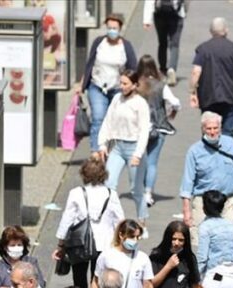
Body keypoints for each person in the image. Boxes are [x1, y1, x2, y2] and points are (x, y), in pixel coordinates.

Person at [53, 156, 125, 288]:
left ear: (84, 174)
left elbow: (67, 220)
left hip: (79, 243)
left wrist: (61, 244)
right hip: (105, 244)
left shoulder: (76, 193)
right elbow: (120, 221)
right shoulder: (111, 194)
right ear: (103, 174)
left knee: (79, 279)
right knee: (98, 279)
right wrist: (120, 244)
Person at [97, 68, 151, 224]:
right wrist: (103, 144)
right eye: (121, 83)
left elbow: (144, 131)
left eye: (125, 83)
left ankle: (142, 219)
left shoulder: (140, 103)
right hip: (118, 147)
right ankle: (113, 219)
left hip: (134, 148)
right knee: (108, 184)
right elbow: (108, 121)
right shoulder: (116, 99)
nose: (122, 86)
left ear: (134, 85)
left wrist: (138, 154)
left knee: (136, 190)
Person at [179, 111, 233, 247]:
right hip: (203, 201)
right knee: (200, 239)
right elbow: (187, 182)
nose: (212, 132)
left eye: (215, 128)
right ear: (203, 129)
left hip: (227, 200)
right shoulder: (194, 151)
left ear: (220, 128)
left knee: (228, 237)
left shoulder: (231, 144)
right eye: (209, 128)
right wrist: (187, 211)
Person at [77, 13, 137, 151]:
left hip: (117, 88)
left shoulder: (126, 46)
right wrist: (81, 84)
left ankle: (109, 149)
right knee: (98, 117)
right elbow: (90, 63)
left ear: (120, 29)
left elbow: (133, 68)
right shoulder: (99, 42)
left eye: (115, 28)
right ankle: (96, 151)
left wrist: (132, 87)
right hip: (97, 86)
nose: (112, 31)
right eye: (109, 27)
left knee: (114, 120)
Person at [90, 219, 156, 288]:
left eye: (137, 237)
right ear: (121, 235)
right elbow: (96, 282)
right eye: (131, 236)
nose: (135, 240)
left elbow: (148, 287)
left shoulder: (142, 258)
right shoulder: (106, 256)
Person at [188, 17, 233, 137]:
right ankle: (227, 153)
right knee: (228, 131)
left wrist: (193, 92)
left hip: (208, 96)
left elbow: (196, 72)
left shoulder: (203, 49)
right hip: (231, 95)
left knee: (209, 130)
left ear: (211, 31)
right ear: (226, 30)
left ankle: (209, 152)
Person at [135, 54, 180, 210]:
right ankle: (148, 192)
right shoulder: (161, 85)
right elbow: (175, 102)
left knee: (141, 160)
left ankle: (140, 189)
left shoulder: (136, 86)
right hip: (159, 126)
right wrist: (172, 113)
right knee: (152, 162)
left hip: (139, 129)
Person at [149, 220, 202, 288]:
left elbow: (195, 287)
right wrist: (168, 266)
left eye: (181, 240)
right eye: (173, 239)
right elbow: (151, 284)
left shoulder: (189, 258)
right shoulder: (156, 256)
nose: (176, 243)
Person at [143, 0, 185, 86]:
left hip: (159, 15)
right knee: (174, 45)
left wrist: (147, 20)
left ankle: (162, 70)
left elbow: (149, 1)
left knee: (162, 43)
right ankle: (172, 69)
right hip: (176, 14)